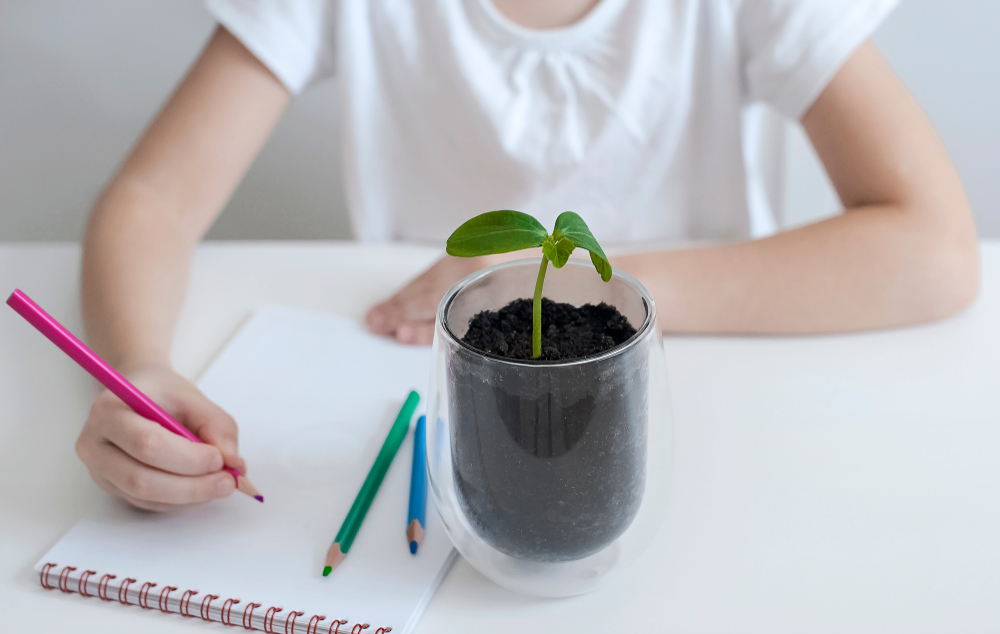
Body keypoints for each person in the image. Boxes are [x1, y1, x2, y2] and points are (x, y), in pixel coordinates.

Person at [76, 0, 979, 511]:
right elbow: (151, 200)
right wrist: (138, 364)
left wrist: (610, 291)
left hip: (718, 437)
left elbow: (934, 247)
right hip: (418, 412)